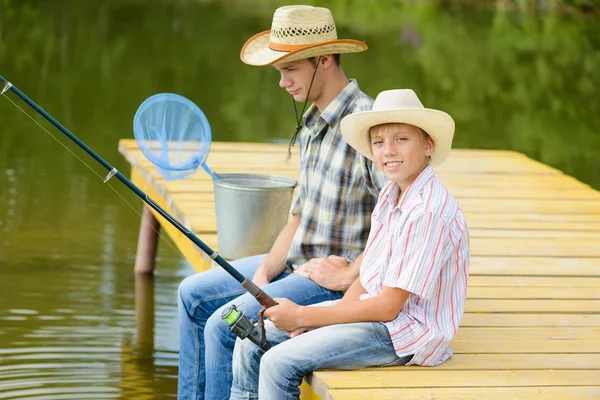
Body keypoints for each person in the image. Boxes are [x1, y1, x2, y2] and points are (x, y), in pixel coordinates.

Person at [177, 5, 387, 399]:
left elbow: (396, 218)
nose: (282, 82)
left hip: (334, 281)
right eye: (279, 71)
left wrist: (347, 276)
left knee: (224, 324)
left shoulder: (370, 124)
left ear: (324, 59)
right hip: (295, 261)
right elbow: (298, 215)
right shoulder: (311, 124)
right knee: (191, 295)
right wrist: (263, 273)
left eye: (290, 69)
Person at [229, 89, 471, 400]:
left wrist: (304, 316)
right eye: (379, 142)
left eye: (401, 139)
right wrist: (326, 321)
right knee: (250, 340)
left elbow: (388, 307)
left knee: (278, 362)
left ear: (428, 145)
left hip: (406, 334)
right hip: (377, 315)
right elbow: (368, 277)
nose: (388, 151)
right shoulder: (392, 193)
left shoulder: (427, 210)